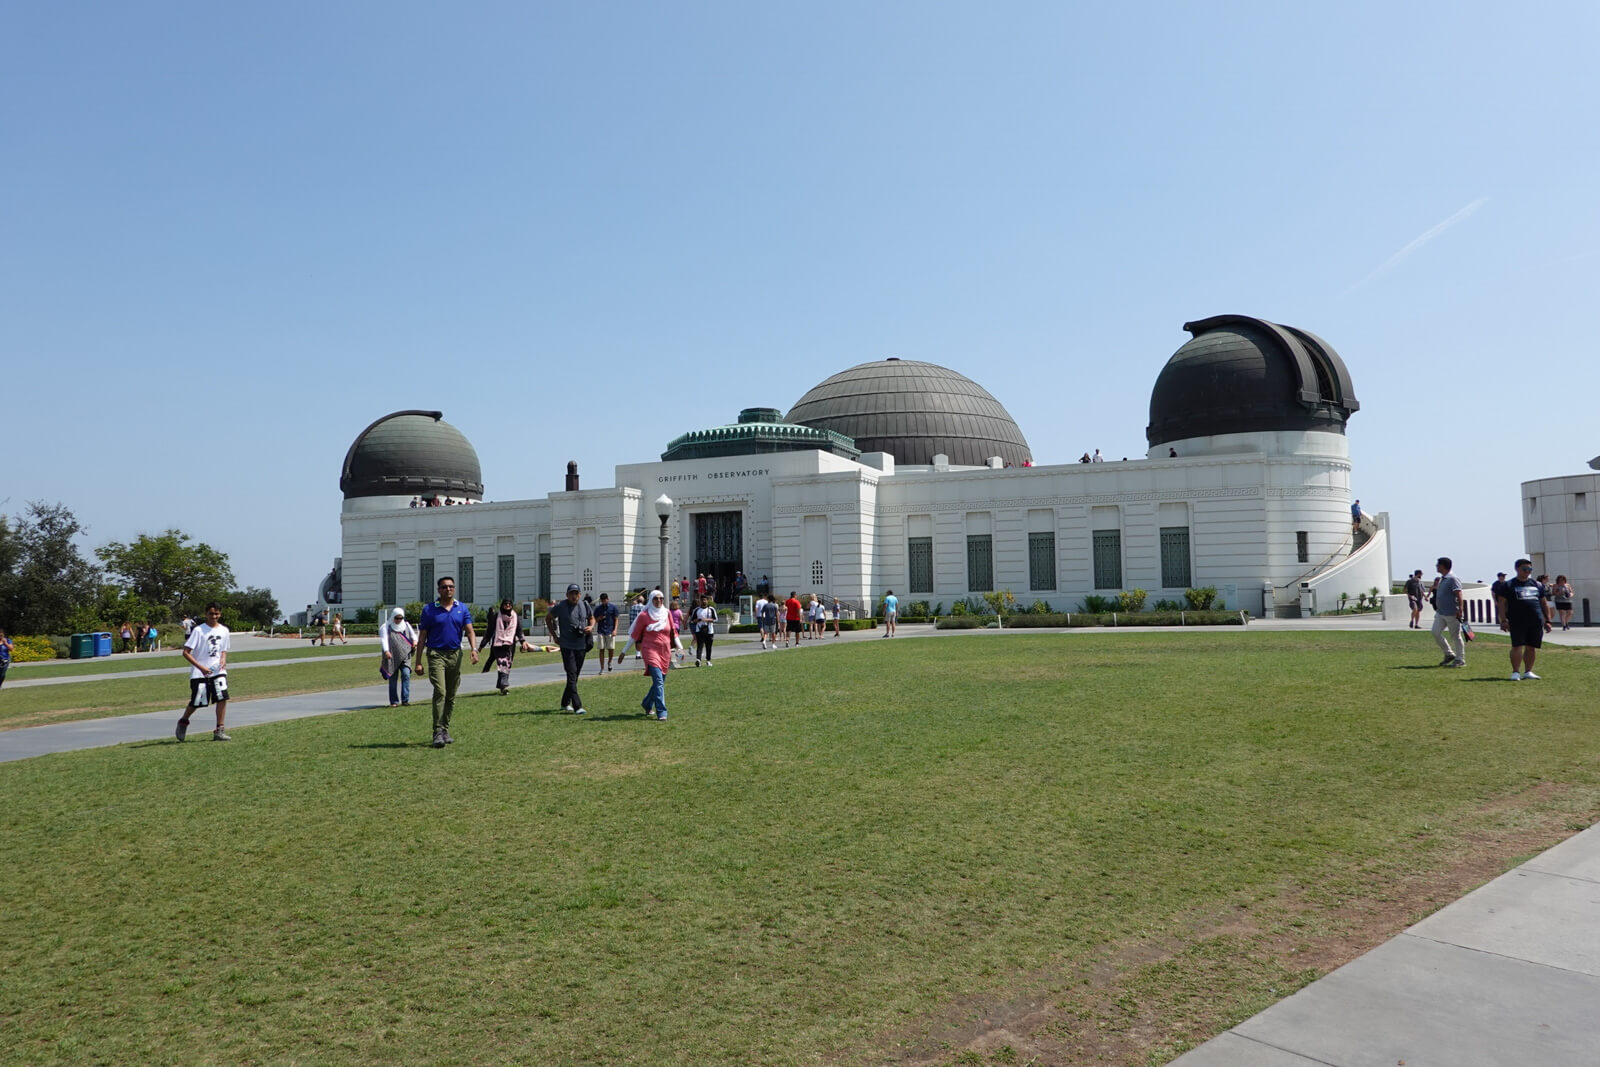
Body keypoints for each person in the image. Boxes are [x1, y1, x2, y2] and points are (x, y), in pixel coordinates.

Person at [414, 575, 478, 748]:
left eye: (451, 586)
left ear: (454, 589)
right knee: (440, 691)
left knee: (451, 695)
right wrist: (418, 661)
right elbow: (422, 638)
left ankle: (444, 729)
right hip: (436, 654)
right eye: (444, 587)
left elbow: (470, 631)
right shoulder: (429, 610)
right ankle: (437, 731)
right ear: (438, 590)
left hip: (455, 655)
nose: (448, 589)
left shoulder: (461, 608)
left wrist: (474, 649)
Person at [176, 602, 232, 742]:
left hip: (217, 671)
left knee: (222, 697)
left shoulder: (224, 630)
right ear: (206, 614)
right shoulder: (199, 631)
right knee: (198, 701)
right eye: (211, 613)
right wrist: (201, 667)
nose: (214, 616)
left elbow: (223, 650)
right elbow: (186, 652)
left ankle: (219, 729)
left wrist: (223, 660)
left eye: (217, 613)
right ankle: (183, 721)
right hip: (200, 672)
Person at [1497, 559, 1551, 680]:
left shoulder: (1537, 585)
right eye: (1524, 569)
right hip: (1517, 620)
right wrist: (1504, 620)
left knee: (1531, 646)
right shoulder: (1508, 585)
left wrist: (1548, 620)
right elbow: (1501, 603)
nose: (1527, 572)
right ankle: (1515, 672)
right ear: (1517, 569)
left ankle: (1528, 671)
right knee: (1517, 646)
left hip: (1535, 621)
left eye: (1529, 569)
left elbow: (1544, 603)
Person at [546, 583, 594, 713]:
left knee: (574, 675)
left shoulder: (584, 605)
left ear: (580, 595)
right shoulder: (560, 606)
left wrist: (591, 626)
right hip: (567, 645)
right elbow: (548, 618)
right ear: (567, 595)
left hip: (581, 645)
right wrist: (555, 636)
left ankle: (564, 702)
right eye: (571, 593)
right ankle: (577, 706)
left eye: (576, 593)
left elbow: (591, 618)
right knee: (572, 673)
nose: (574, 596)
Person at [629, 589, 676, 720]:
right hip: (649, 650)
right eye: (656, 598)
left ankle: (647, 702)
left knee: (659, 681)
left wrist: (681, 648)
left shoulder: (667, 613)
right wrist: (623, 651)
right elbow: (635, 634)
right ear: (650, 599)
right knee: (659, 680)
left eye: (661, 598)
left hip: (664, 651)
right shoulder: (645, 615)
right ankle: (662, 712)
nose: (659, 601)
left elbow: (673, 631)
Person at [479, 598, 532, 694]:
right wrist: (482, 645)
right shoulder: (496, 616)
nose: (507, 605)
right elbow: (489, 631)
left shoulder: (515, 617)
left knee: (506, 664)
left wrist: (523, 641)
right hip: (498, 644)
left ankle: (501, 685)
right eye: (505, 604)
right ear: (502, 605)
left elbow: (519, 630)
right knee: (502, 664)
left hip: (510, 645)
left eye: (509, 604)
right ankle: (504, 686)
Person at [378, 607, 417, 707]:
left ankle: (405, 700)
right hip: (392, 656)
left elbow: (414, 636)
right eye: (397, 618)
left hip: (405, 656)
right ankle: (394, 701)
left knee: (406, 675)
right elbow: (384, 640)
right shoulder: (386, 626)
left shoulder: (406, 625)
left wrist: (415, 642)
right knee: (393, 679)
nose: (398, 620)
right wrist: (386, 651)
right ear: (393, 617)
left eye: (400, 618)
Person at [1430, 557, 1465, 669]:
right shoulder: (1442, 579)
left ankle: (1460, 659)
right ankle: (1449, 654)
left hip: (1452, 613)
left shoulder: (1453, 579)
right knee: (1435, 632)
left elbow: (1459, 594)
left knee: (1456, 636)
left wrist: (1460, 609)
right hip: (1440, 613)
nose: (1436, 566)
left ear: (1443, 566)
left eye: (1438, 564)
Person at [592, 592, 620, 672]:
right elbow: (594, 619)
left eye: (605, 600)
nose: (604, 602)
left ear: (608, 599)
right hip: (601, 630)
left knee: (611, 648)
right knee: (601, 649)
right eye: (602, 601)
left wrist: (615, 630)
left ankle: (610, 662)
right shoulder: (598, 608)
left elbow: (616, 619)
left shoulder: (613, 607)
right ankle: (602, 668)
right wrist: (598, 619)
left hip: (610, 630)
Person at [692, 596, 717, 665]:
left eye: (705, 600)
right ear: (700, 601)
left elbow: (715, 619)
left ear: (707, 601)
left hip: (709, 630)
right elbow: (693, 620)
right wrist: (698, 620)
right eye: (702, 600)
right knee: (699, 645)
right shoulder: (697, 610)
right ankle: (698, 659)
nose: (703, 601)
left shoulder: (711, 609)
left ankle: (708, 660)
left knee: (708, 646)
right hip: (699, 630)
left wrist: (706, 620)